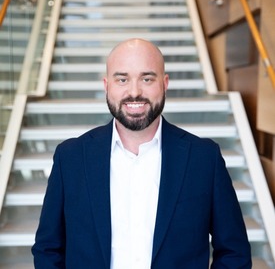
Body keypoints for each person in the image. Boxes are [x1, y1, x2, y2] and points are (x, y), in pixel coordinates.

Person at [32, 38, 252, 268]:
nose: (134, 92)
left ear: (165, 83)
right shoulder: (70, 158)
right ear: (107, 85)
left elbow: (234, 252)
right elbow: (48, 249)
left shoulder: (205, 159)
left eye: (147, 79)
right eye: (122, 79)